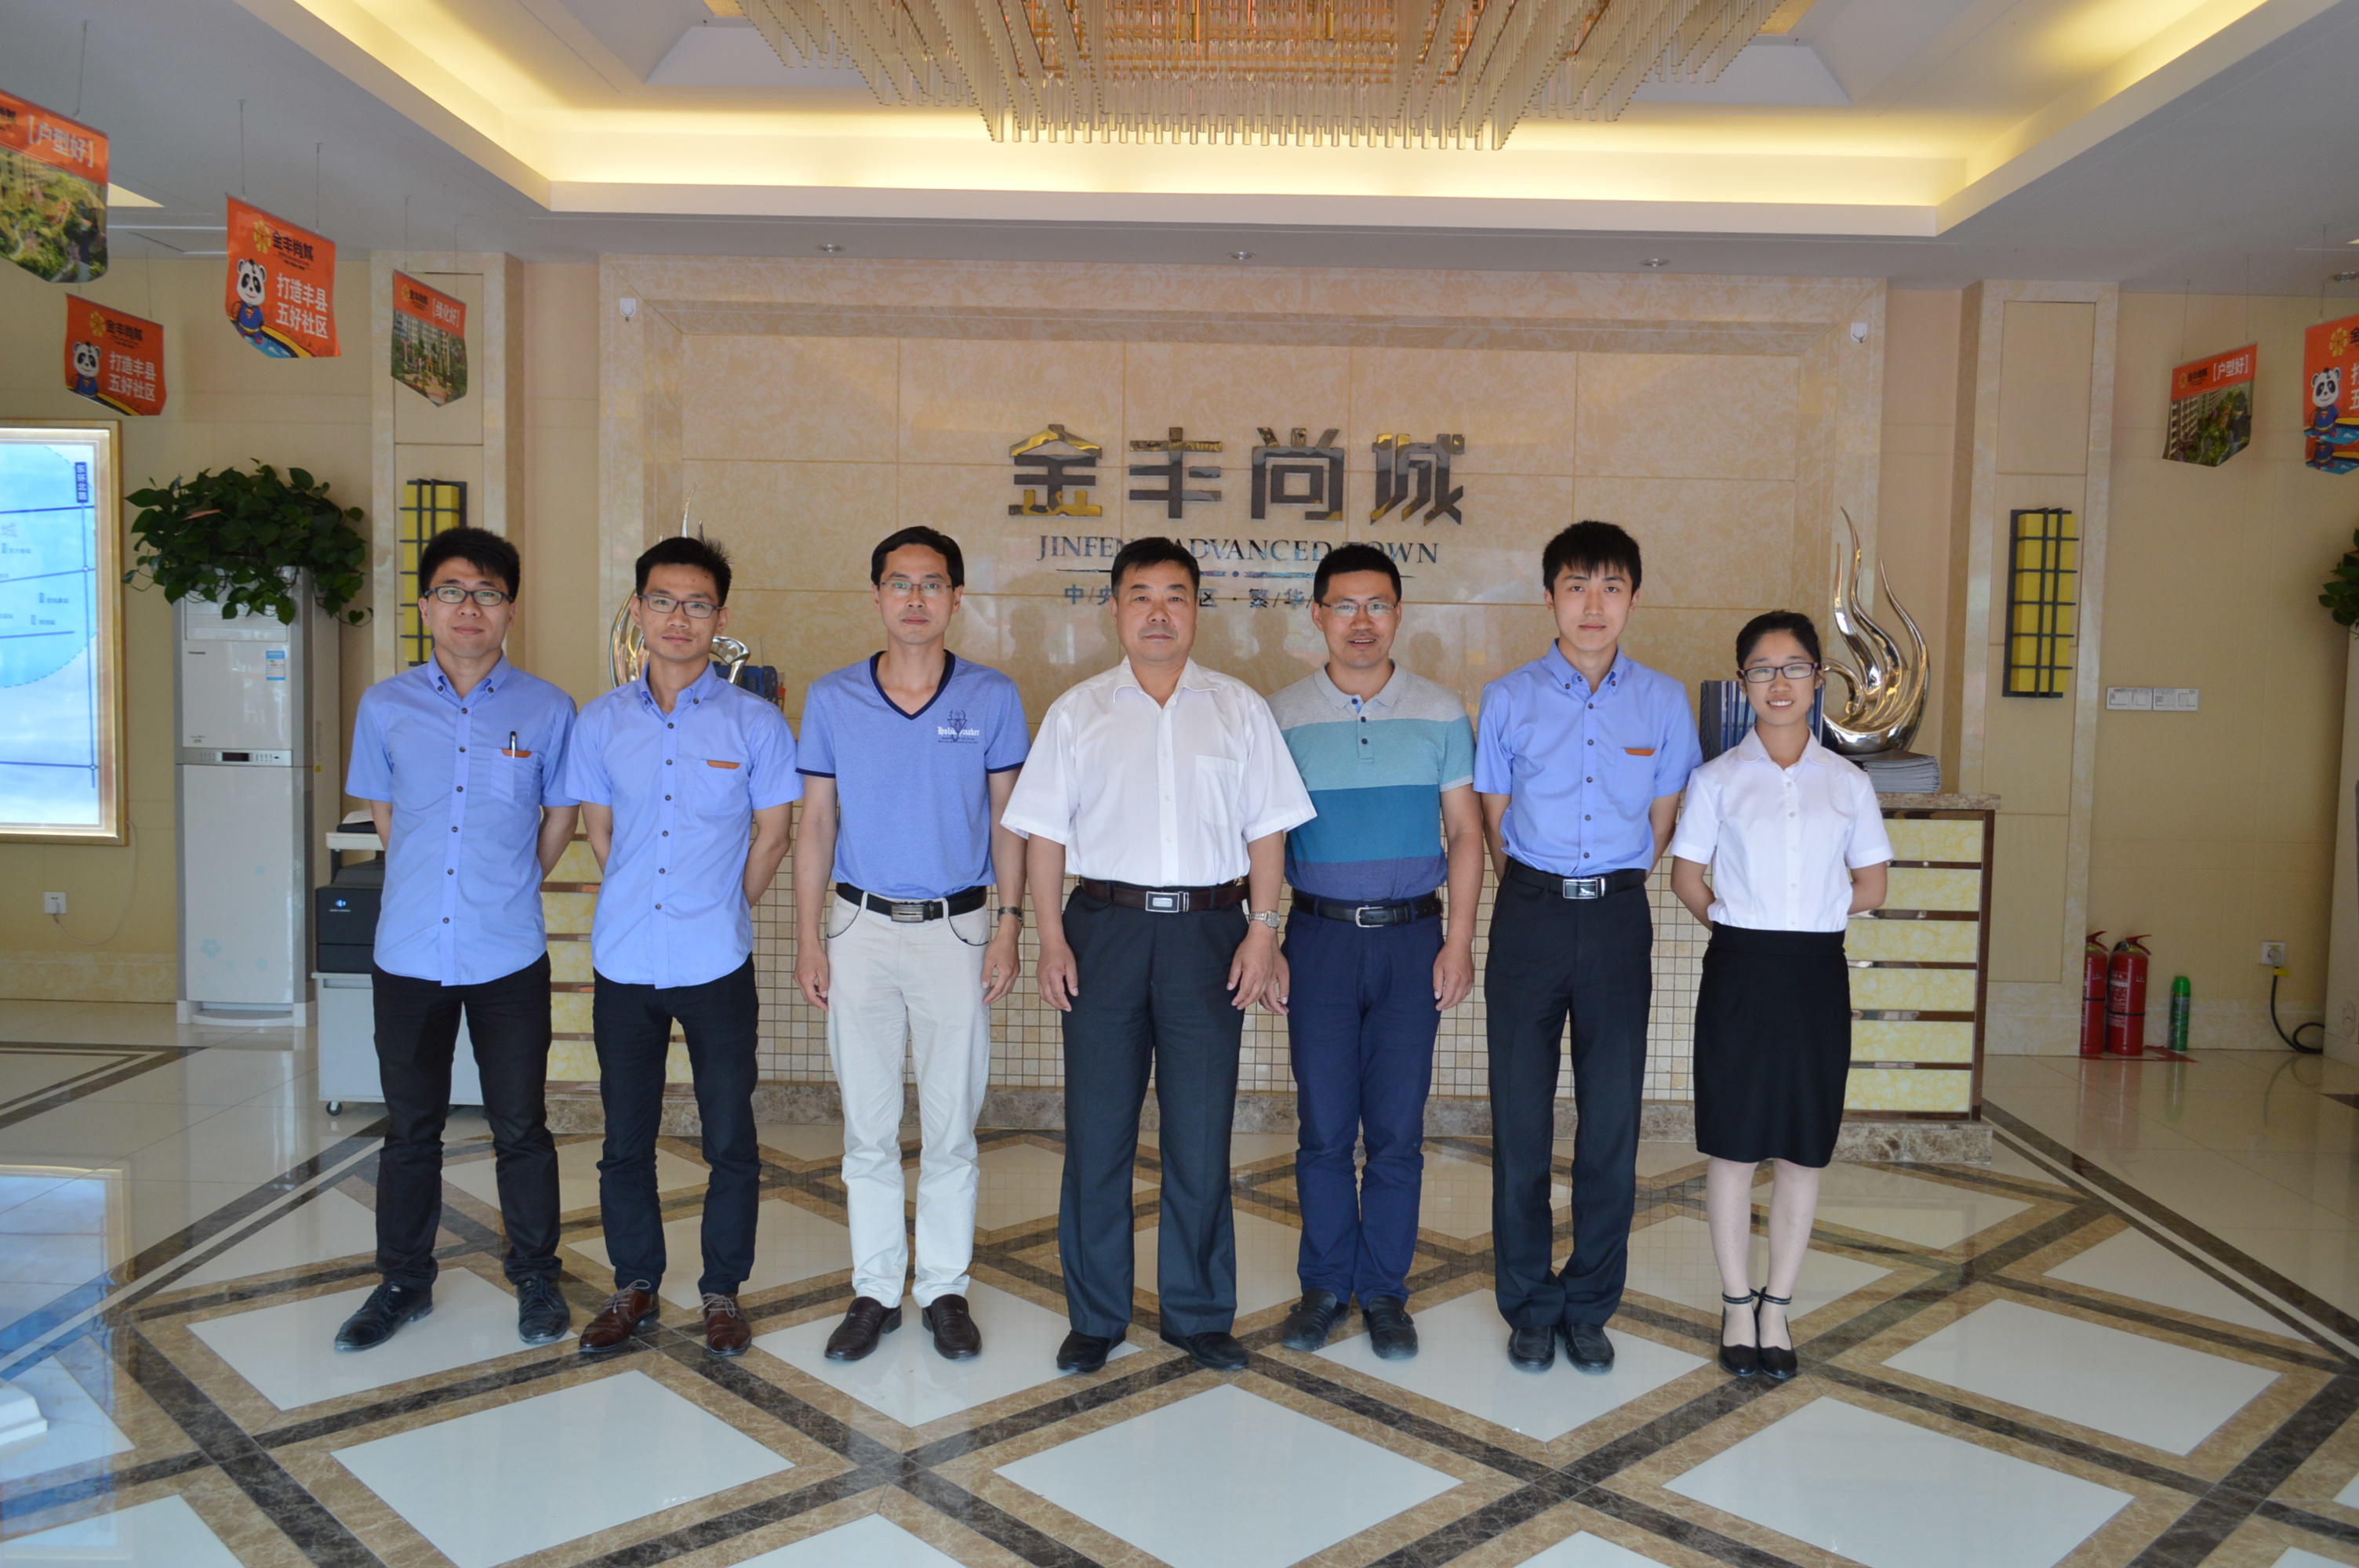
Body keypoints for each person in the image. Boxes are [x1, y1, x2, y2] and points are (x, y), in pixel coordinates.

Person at [1001, 537, 1314, 1374]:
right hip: (1102, 929)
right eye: (1140, 595)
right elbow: (1043, 837)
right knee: (1097, 1131)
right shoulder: (1077, 712)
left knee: (1200, 1133)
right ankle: (1096, 1315)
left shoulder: (1238, 708)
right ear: (1114, 608)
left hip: (1210, 935)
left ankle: (1199, 1312)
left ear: (1195, 609)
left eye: (1175, 595)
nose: (1157, 612)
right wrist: (1050, 938)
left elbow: (1268, 829)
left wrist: (1263, 929)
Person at [336, 527, 577, 1352]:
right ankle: (403, 1280)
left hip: (507, 949)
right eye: (451, 590)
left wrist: (511, 882)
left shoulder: (547, 708)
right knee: (412, 1128)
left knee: (521, 1125)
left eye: (486, 593)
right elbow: (386, 817)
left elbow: (559, 816)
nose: (468, 607)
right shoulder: (386, 706)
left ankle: (536, 1275)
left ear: (511, 608)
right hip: (409, 952)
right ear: (425, 605)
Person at [794, 528, 1029, 1363]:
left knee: (951, 1124)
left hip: (956, 930)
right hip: (857, 928)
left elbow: (1008, 821)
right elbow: (815, 823)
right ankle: (873, 1289)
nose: (916, 599)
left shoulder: (992, 696)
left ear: (956, 598)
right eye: (900, 583)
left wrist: (1009, 925)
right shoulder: (832, 698)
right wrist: (811, 937)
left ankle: (943, 1289)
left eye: (932, 584)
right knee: (867, 1124)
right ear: (877, 596)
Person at [1474, 520, 1701, 1374]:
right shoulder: (1507, 698)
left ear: (1633, 598)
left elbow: (1663, 819)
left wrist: (1607, 886)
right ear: (1549, 598)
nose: (1593, 604)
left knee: (1610, 1122)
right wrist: (1540, 888)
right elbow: (1494, 822)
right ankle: (1529, 1302)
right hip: (1529, 915)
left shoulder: (1663, 702)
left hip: (1615, 919)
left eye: (1610, 586)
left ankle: (1590, 1301)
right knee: (1520, 1119)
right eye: (1576, 586)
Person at [564, 536, 798, 1359]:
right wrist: (644, 899)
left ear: (719, 618)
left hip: (716, 962)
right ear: (638, 609)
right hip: (625, 960)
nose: (678, 618)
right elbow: (600, 831)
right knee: (624, 1138)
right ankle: (634, 1283)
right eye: (662, 600)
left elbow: (774, 833)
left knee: (729, 1135)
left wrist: (723, 906)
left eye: (697, 604)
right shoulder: (600, 721)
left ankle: (721, 1289)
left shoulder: (755, 722)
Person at [1267, 544, 1481, 1360]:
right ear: (1317, 613)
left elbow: (1466, 834)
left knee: (1396, 1128)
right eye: (1344, 605)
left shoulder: (1439, 711)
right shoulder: (1280, 714)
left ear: (1398, 612)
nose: (1362, 621)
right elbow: (1265, 837)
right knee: (1323, 1127)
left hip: (1411, 941)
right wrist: (1267, 934)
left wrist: (1458, 939)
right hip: (1317, 940)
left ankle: (1386, 1291)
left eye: (1378, 604)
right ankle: (1325, 1285)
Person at [1668, 612, 1889, 1381]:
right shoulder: (1716, 779)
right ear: (1743, 684)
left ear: (1818, 678)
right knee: (1733, 1147)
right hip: (1739, 968)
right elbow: (1686, 877)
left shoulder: (1848, 783)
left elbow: (1872, 883)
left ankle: (1777, 1306)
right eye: (1761, 670)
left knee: (1801, 1148)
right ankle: (1737, 1302)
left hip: (1815, 973)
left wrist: (1809, 914)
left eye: (1793, 667)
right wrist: (1736, 921)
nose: (1779, 682)